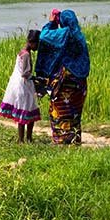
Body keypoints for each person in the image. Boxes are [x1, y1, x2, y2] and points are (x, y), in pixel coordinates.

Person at [37, 8, 90, 145]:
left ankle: (62, 139)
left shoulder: (65, 33)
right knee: (74, 111)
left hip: (65, 79)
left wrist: (51, 23)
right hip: (80, 81)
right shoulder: (79, 36)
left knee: (60, 108)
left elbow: (43, 36)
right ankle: (74, 138)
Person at [0, 29, 42, 142]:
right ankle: (27, 138)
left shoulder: (22, 52)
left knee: (22, 111)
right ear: (32, 42)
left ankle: (22, 139)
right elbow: (25, 73)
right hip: (23, 85)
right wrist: (36, 79)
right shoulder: (27, 55)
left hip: (18, 84)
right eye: (37, 44)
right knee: (28, 109)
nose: (38, 47)